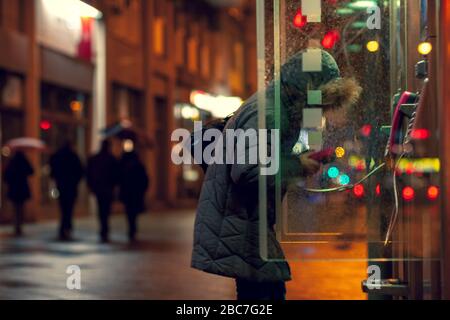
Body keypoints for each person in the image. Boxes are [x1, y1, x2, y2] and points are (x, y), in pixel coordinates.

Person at [191, 50, 362, 300]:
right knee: (266, 293)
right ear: (307, 88)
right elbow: (248, 170)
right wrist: (298, 165)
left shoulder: (280, 106)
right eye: (319, 100)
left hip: (247, 220)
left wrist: (299, 158)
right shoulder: (270, 112)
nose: (319, 109)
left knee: (264, 291)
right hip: (240, 221)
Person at [49, 142, 84, 241]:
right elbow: (80, 171)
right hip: (70, 187)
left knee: (63, 207)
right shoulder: (73, 156)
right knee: (68, 208)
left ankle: (64, 226)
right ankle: (67, 226)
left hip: (62, 186)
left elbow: (53, 171)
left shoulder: (58, 156)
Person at [87, 140, 119, 243]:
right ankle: (104, 227)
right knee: (105, 209)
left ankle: (103, 227)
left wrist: (91, 186)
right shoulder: (112, 159)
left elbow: (89, 173)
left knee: (101, 209)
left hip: (99, 188)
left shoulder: (95, 159)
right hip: (107, 188)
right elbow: (116, 175)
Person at [118, 150, 149, 242]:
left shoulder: (125, 167)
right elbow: (145, 180)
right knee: (132, 212)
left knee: (130, 212)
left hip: (130, 194)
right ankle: (132, 228)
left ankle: (132, 228)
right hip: (134, 194)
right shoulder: (138, 166)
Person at [3, 151, 34, 236]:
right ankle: (19, 225)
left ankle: (17, 225)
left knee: (16, 207)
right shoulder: (23, 162)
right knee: (20, 207)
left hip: (14, 189)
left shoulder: (11, 162)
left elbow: (5, 176)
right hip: (22, 188)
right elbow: (31, 171)